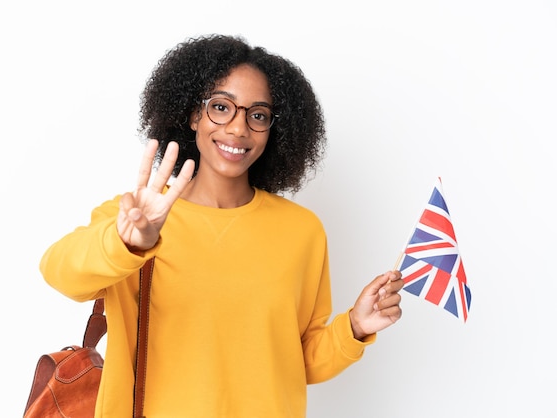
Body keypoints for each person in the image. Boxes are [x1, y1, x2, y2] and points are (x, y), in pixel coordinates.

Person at [40, 34, 404, 418]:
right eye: (221, 107)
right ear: (194, 115)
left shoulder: (302, 231)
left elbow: (298, 361)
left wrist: (356, 327)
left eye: (257, 114)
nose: (238, 128)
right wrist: (125, 242)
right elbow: (57, 271)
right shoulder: (138, 218)